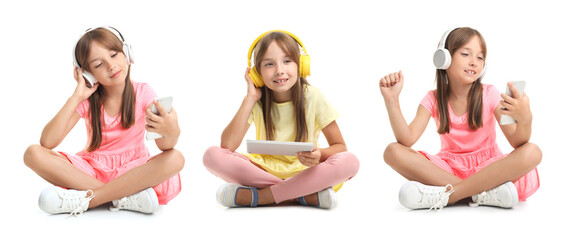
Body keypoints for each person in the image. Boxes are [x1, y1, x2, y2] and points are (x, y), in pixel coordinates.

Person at [23, 26, 184, 215]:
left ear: (127, 53)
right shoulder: (87, 100)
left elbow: (166, 146)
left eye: (114, 55)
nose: (111, 66)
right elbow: (47, 142)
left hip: (133, 172)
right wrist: (76, 96)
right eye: (98, 64)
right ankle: (123, 197)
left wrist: (171, 130)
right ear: (88, 74)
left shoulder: (143, 92)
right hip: (92, 171)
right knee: (32, 153)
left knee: (176, 158)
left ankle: (90, 200)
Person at [379, 27, 541, 210]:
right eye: (466, 54)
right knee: (392, 151)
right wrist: (392, 100)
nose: (474, 62)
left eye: (480, 58)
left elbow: (517, 141)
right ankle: (482, 194)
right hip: (447, 170)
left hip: (489, 169)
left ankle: (450, 195)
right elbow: (406, 139)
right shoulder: (433, 98)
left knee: (532, 152)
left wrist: (525, 119)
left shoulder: (490, 94)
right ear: (444, 58)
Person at [203, 30, 359, 209]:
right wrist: (250, 98)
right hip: (264, 171)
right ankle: (303, 195)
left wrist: (319, 156)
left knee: (350, 161)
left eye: (287, 61)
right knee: (211, 155)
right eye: (269, 64)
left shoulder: (314, 97)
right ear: (257, 73)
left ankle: (262, 197)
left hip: (307, 171)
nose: (279, 71)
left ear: (301, 65)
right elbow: (227, 146)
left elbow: (340, 147)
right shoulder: (256, 100)